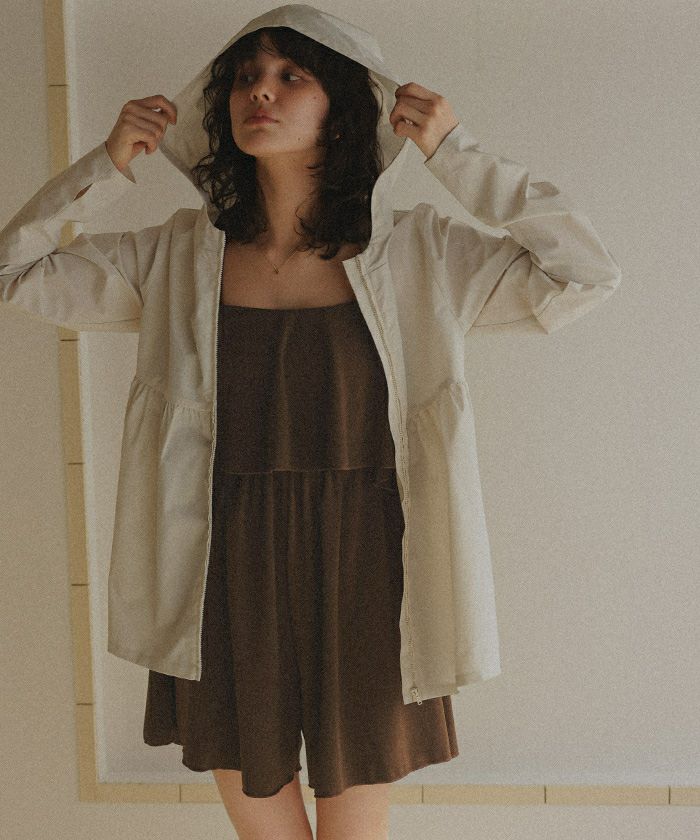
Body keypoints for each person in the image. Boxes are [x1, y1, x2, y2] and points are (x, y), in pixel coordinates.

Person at [0, 4, 622, 837]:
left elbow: (583, 274)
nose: (261, 91)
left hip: (372, 561)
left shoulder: (419, 252)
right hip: (216, 558)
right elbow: (16, 273)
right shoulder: (178, 255)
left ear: (343, 109)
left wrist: (457, 153)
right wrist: (104, 166)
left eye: (291, 75)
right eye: (246, 77)